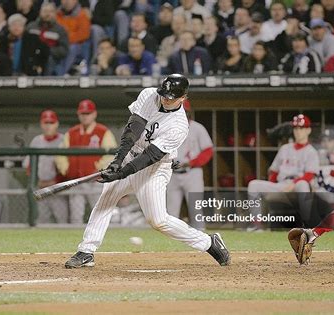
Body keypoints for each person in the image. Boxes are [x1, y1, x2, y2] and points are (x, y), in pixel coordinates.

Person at [64, 74, 230, 269]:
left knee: (157, 220)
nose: (166, 99)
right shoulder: (149, 95)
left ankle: (209, 243)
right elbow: (133, 130)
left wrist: (121, 173)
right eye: (164, 95)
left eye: (171, 97)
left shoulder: (179, 125)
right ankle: (86, 251)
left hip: (154, 168)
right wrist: (117, 161)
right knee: (106, 199)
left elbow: (150, 156)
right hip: (130, 155)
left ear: (183, 98)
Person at [247, 114, 320, 230]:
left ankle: (307, 226)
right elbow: (274, 171)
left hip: (297, 186)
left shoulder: (311, 152)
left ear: (308, 130)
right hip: (282, 185)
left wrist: (293, 184)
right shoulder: (285, 148)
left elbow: (309, 175)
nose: (298, 131)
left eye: (301, 128)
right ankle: (256, 225)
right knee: (253, 185)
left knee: (303, 184)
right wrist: (273, 185)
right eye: (295, 128)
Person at [55, 99, 117, 224]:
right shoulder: (72, 132)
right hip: (77, 181)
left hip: (96, 181)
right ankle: (76, 239)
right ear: (78, 115)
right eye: (83, 114)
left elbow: (111, 155)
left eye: (88, 113)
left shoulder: (103, 131)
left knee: (100, 213)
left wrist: (98, 169)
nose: (85, 116)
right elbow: (60, 155)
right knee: (76, 216)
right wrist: (67, 169)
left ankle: (106, 236)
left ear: (94, 114)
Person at [167, 99, 214, 230]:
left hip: (192, 173)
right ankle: (170, 240)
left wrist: (192, 163)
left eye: (184, 112)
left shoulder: (197, 128)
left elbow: (208, 151)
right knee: (171, 211)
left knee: (196, 210)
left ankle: (202, 240)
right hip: (172, 173)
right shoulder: (167, 129)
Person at [25, 110, 69, 224]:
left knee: (62, 220)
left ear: (56, 124)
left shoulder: (63, 140)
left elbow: (69, 167)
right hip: (41, 188)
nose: (48, 126)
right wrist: (35, 182)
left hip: (58, 189)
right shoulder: (36, 141)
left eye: (51, 122)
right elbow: (29, 166)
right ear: (41, 124)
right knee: (41, 221)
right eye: (46, 123)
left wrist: (56, 181)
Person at [27, 2, 69, 76]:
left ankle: (44, 83)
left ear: (55, 13)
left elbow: (64, 50)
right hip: (32, 55)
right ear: (40, 12)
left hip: (50, 57)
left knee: (48, 59)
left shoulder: (60, 30)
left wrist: (47, 50)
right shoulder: (31, 27)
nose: (47, 14)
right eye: (45, 11)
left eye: (51, 11)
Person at [56, 0, 91, 75]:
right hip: (60, 44)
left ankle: (61, 76)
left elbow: (84, 34)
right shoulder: (57, 14)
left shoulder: (82, 14)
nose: (67, 2)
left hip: (78, 46)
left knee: (72, 48)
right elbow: (55, 31)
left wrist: (66, 38)